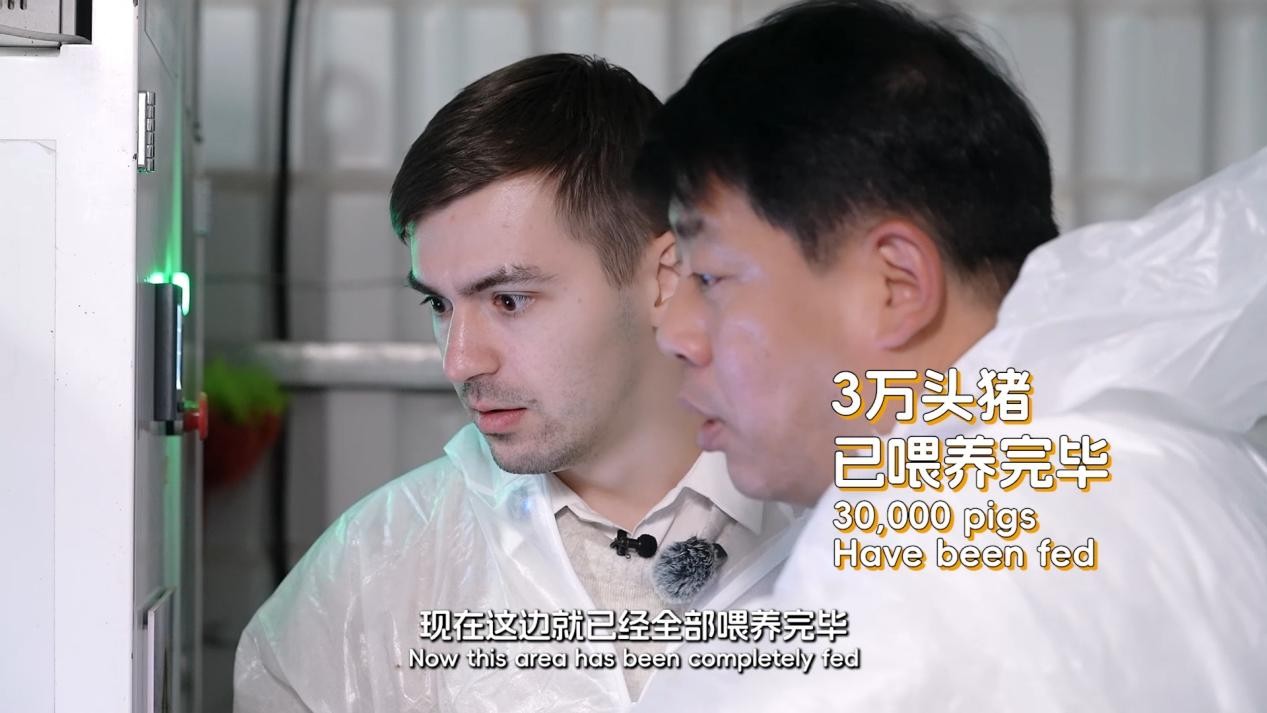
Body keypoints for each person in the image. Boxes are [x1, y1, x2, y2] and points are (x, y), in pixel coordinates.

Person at [633, 0, 1267, 710]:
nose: (674, 333)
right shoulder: (1176, 455)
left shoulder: (924, 567)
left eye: (711, 277)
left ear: (895, 285)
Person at [233, 54, 799, 713]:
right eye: (438, 304)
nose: (459, 362)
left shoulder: (839, 523)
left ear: (665, 278)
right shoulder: (375, 568)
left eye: (508, 300)